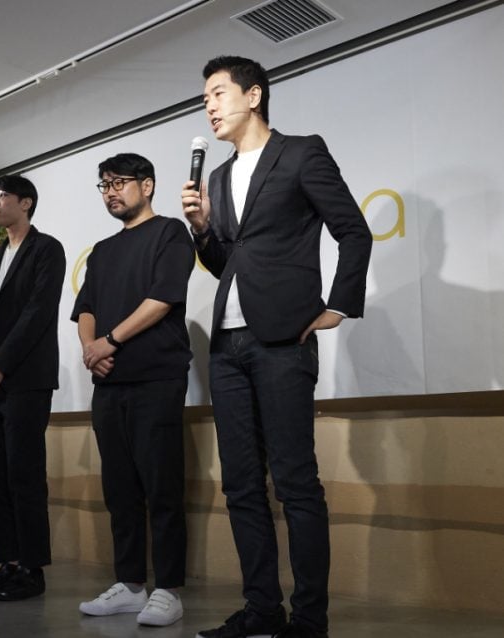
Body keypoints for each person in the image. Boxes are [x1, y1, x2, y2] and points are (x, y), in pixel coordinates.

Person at [181, 56, 372, 638]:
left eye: (217, 94)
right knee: (241, 485)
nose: (209, 107)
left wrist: (339, 304)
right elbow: (229, 263)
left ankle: (309, 619)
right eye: (204, 98)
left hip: (284, 340)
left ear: (254, 95)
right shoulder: (217, 179)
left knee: (295, 482)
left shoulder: (301, 153)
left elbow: (353, 230)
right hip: (228, 347)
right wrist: (202, 230)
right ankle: (261, 609)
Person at [73, 153, 194, 627]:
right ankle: (129, 584)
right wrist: (91, 348)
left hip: (156, 377)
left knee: (162, 486)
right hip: (109, 382)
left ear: (147, 186)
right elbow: (85, 308)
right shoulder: (102, 251)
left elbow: (162, 299)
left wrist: (110, 341)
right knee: (119, 489)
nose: (110, 192)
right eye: (104, 185)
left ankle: (169, 589)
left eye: (119, 182)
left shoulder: (170, 233)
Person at [0, 175, 66, 601]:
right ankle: (7, 562)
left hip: (23, 381)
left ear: (26, 203)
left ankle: (31, 569)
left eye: (2, 196)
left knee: (23, 475)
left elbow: (37, 313)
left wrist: (0, 366)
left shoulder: (47, 249)